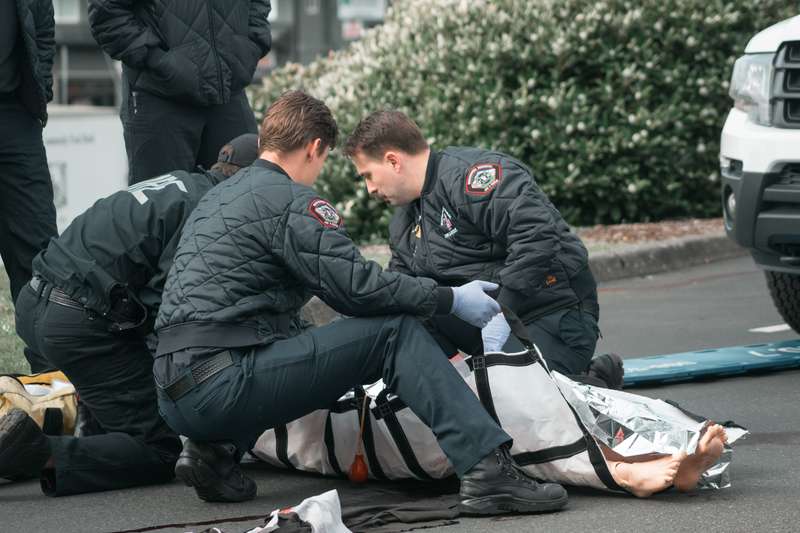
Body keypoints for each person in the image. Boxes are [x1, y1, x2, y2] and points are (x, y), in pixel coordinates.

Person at [153, 90, 568, 516]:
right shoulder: (291, 201)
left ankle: (213, 452)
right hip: (223, 385)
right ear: (315, 148)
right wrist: (450, 299)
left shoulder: (217, 199)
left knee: (300, 339)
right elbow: (357, 290)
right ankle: (486, 471)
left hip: (174, 393)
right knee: (394, 334)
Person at [0, 134, 259, 496]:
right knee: (159, 448)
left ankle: (86, 433)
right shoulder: (212, 210)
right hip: (80, 322)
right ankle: (36, 452)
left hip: (37, 301)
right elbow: (170, 310)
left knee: (119, 414)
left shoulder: (179, 184)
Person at [344, 110, 622, 388]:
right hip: (486, 324)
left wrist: (504, 311)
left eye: (368, 175)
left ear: (393, 161)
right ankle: (474, 384)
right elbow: (404, 291)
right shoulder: (404, 221)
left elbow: (536, 234)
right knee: (409, 320)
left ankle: (594, 380)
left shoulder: (472, 177)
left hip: (548, 310)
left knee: (532, 409)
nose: (369, 189)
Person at [87, 0, 271, 184]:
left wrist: (250, 45)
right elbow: (106, 12)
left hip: (227, 91)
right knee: (164, 209)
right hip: (159, 95)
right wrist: (158, 61)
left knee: (247, 200)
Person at [0, 0, 58, 373]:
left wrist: (41, 87)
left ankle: (52, 378)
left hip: (14, 114)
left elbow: (43, 28)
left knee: (39, 254)